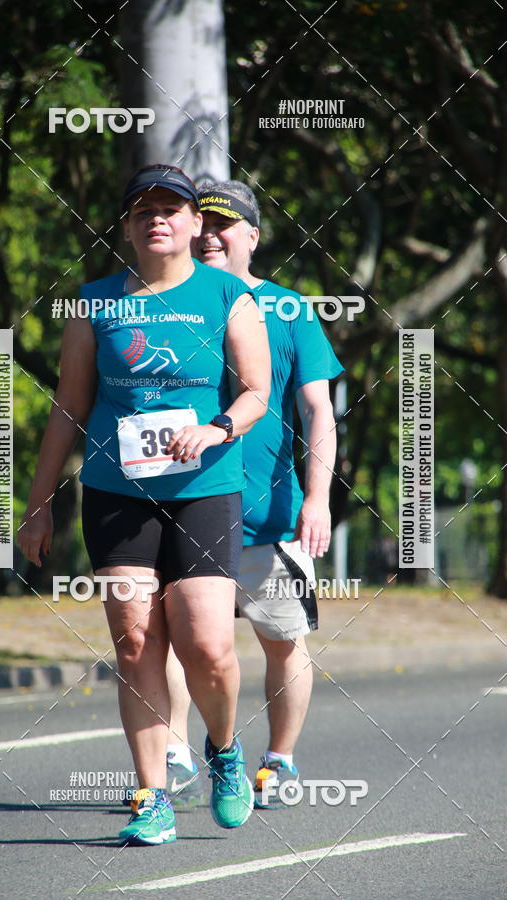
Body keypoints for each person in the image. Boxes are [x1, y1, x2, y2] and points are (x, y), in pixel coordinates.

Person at [18, 165, 270, 845]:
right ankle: (150, 796)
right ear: (126, 227)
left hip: (205, 490)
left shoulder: (228, 296)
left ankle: (223, 750)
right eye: (143, 210)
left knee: (209, 647)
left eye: (171, 208)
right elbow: (68, 409)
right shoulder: (94, 304)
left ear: (194, 223)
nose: (157, 218)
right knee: (135, 644)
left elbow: (255, 390)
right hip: (115, 494)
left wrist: (218, 428)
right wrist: (37, 505)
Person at [164, 180, 343, 809]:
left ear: (253, 236)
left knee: (283, 640)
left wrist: (317, 498)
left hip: (267, 514)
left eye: (226, 225)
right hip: (182, 507)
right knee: (177, 639)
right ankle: (175, 756)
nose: (211, 236)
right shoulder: (165, 303)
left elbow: (318, 410)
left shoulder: (290, 310)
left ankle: (279, 759)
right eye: (202, 224)